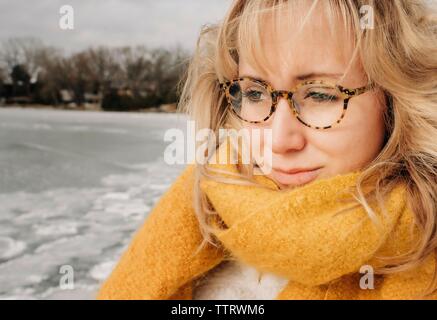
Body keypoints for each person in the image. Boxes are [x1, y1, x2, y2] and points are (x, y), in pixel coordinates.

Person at [97, 0, 437, 300]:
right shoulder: (203, 198)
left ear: (395, 101)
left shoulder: (424, 252)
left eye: (320, 94)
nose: (278, 141)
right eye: (256, 93)